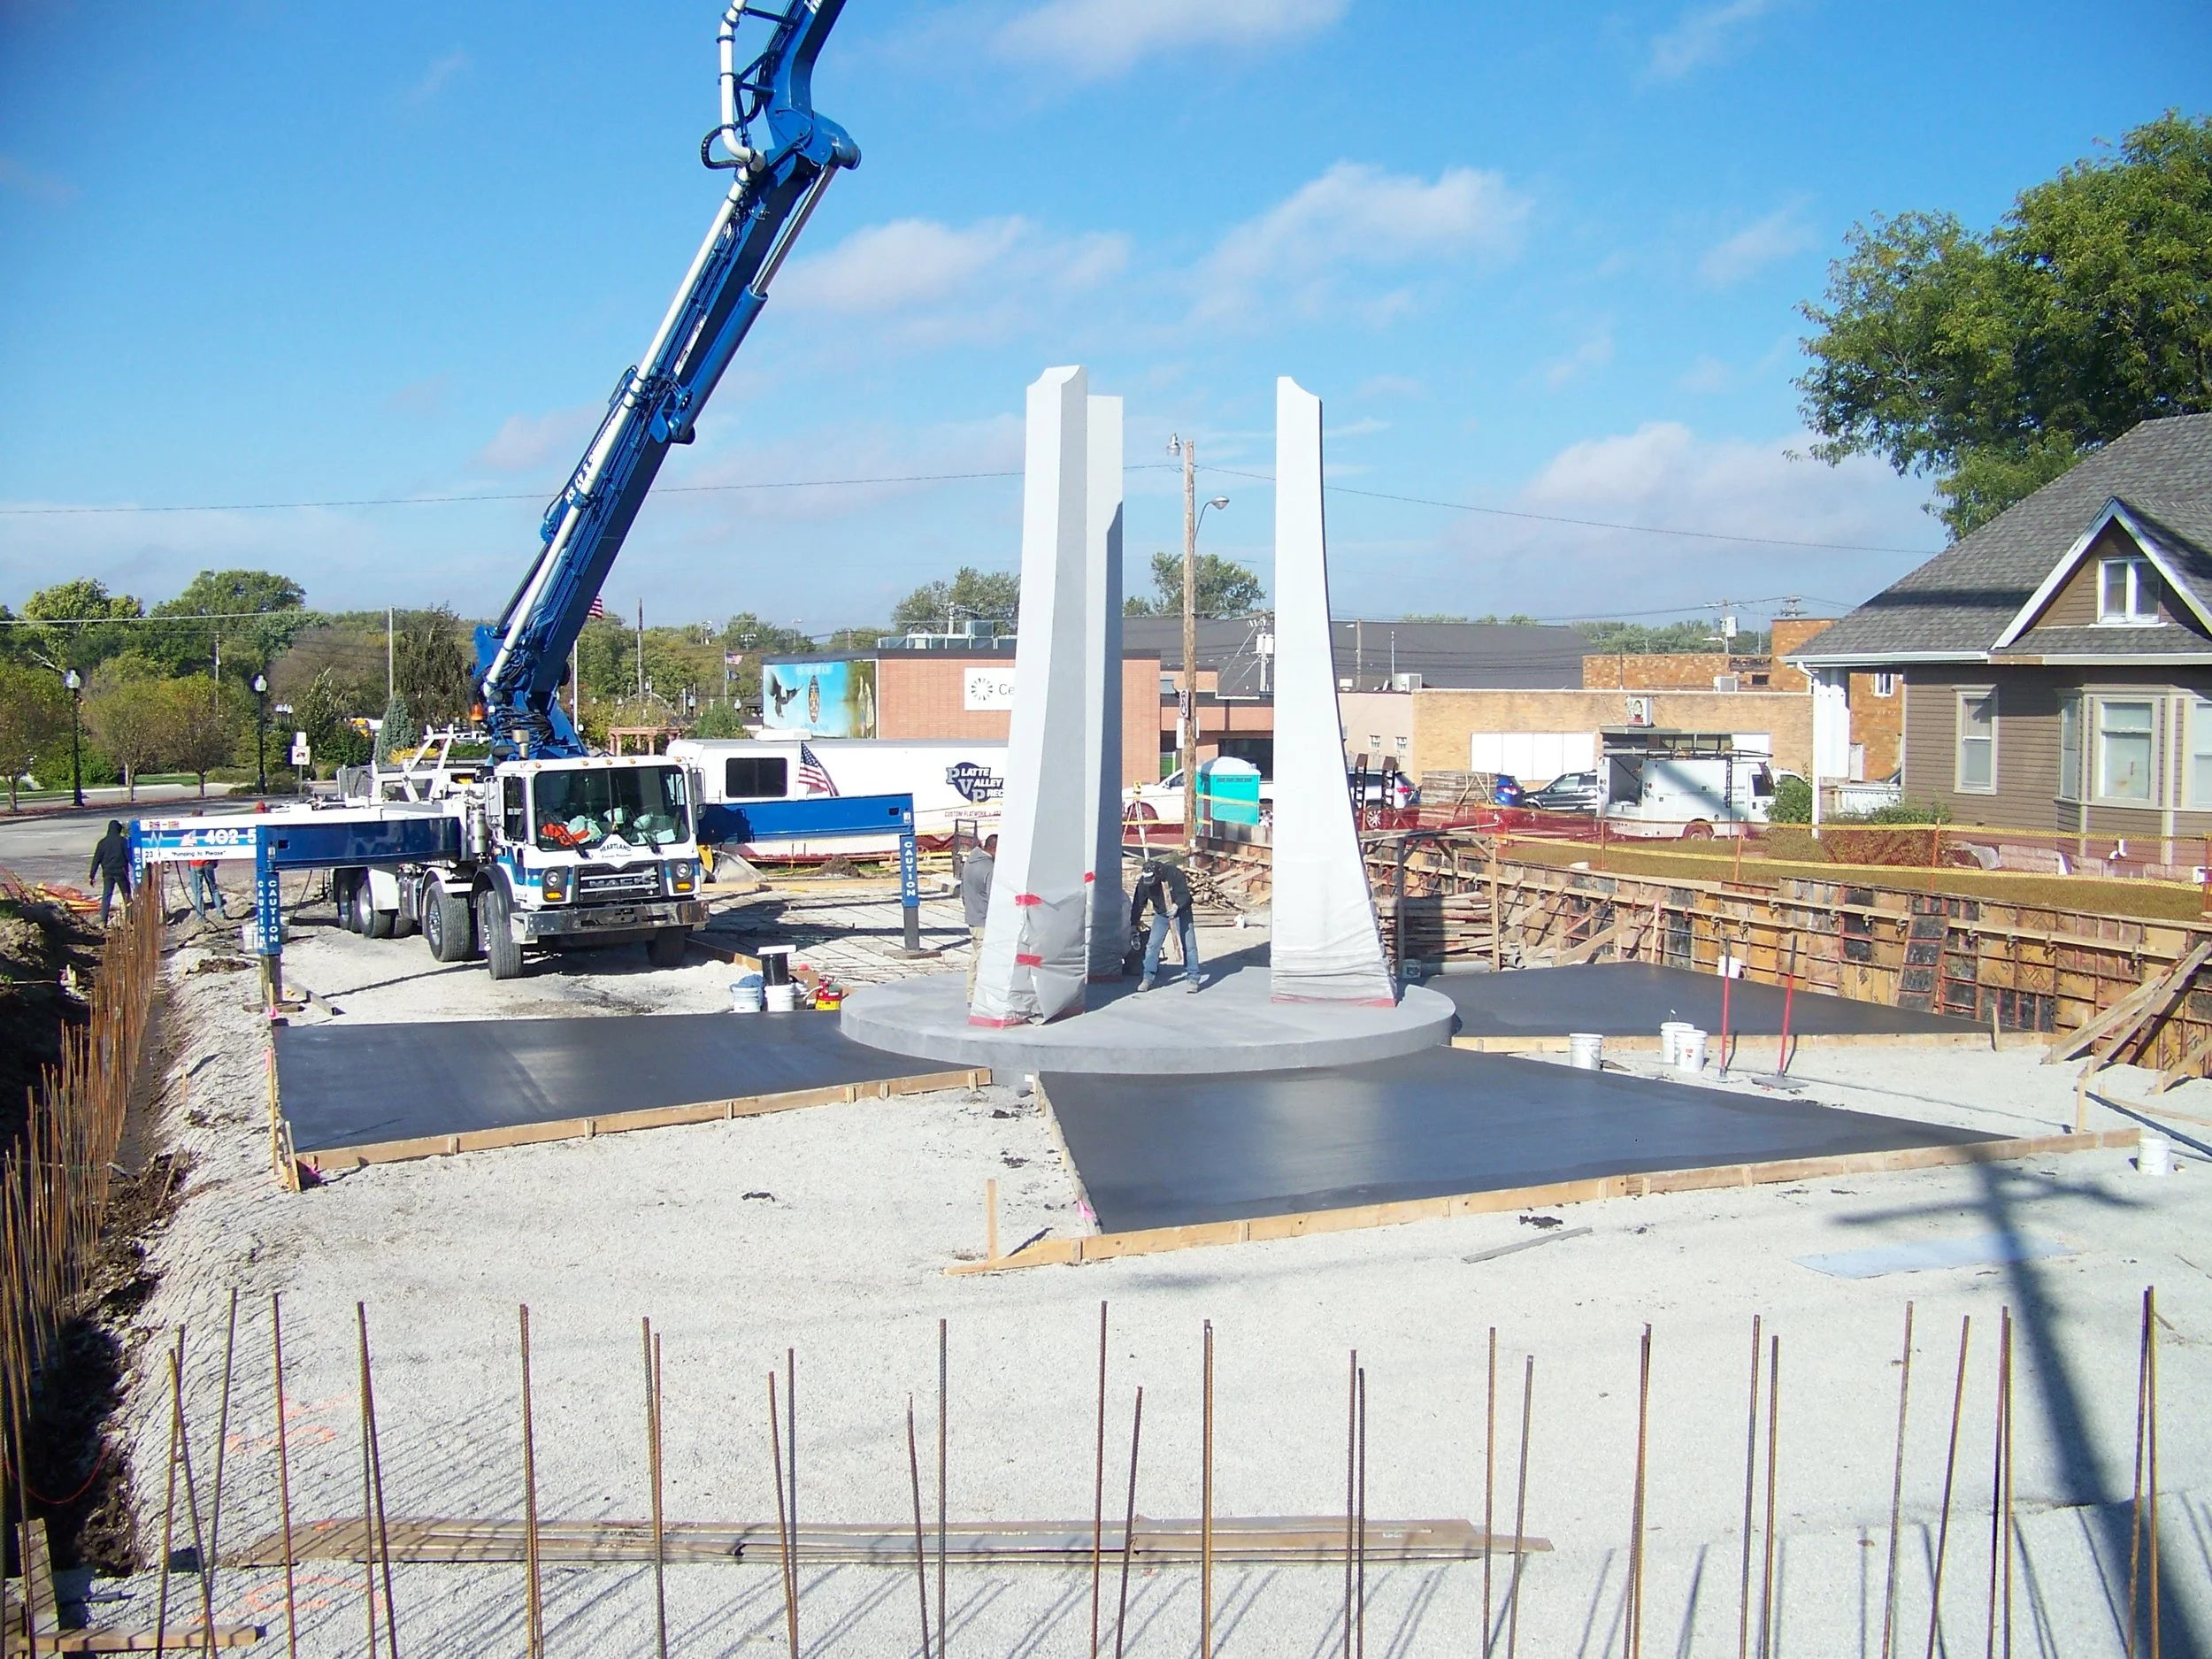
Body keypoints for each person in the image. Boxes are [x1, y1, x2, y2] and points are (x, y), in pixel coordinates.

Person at [1130, 851, 1201, 993]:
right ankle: (1147, 977)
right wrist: (1133, 923)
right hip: (1161, 914)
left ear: (1158, 873)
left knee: (1189, 945)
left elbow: (1186, 895)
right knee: (1152, 945)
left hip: (1181, 911)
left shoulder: (1174, 874)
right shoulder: (1144, 883)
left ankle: (1193, 977)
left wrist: (1177, 906)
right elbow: (1138, 903)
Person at [960, 833, 997, 1000]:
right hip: (984, 920)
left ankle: (972, 994)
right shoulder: (989, 869)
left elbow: (962, 891)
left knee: (975, 957)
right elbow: (994, 898)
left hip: (973, 917)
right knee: (982, 961)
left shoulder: (970, 862)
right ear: (995, 849)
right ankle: (977, 996)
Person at [88, 819, 131, 926]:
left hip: (107, 873)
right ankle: (130, 919)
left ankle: (103, 920)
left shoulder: (102, 843)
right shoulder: (122, 841)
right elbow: (129, 856)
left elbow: (96, 859)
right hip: (121, 872)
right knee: (127, 895)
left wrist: (92, 875)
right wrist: (137, 867)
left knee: (107, 895)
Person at [187, 857, 225, 923]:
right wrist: (215, 861)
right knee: (213, 889)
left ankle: (201, 917)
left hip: (195, 864)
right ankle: (221, 913)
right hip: (208, 862)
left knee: (198, 893)